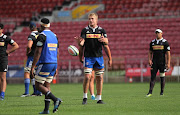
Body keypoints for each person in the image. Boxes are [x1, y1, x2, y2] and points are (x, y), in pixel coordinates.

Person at [75, 13, 112, 104]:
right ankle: (85, 97)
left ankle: (99, 98)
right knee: (87, 77)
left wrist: (110, 58)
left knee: (99, 78)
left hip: (99, 58)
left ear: (96, 20)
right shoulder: (85, 30)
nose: (91, 20)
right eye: (89, 19)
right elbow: (82, 44)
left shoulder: (102, 31)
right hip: (88, 58)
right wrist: (79, 43)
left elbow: (106, 45)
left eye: (92, 19)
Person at [30, 18, 61, 114]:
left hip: (45, 63)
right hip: (53, 63)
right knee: (47, 85)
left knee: (38, 85)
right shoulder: (54, 36)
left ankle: (55, 99)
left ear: (41, 25)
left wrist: (33, 66)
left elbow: (38, 51)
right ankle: (46, 110)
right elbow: (57, 52)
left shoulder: (42, 35)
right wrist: (56, 66)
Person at [146, 29, 171, 97]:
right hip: (154, 63)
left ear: (162, 33)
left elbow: (168, 54)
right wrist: (149, 60)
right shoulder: (152, 42)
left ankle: (162, 92)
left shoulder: (165, 42)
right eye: (156, 33)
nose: (157, 34)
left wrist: (168, 63)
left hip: (162, 63)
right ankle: (150, 92)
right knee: (152, 77)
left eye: (158, 33)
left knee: (162, 77)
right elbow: (150, 52)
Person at [21, 22, 42, 97]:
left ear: (30, 28)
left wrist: (27, 52)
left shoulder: (32, 35)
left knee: (28, 72)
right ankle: (37, 92)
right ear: (36, 27)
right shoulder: (41, 34)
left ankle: (27, 92)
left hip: (32, 56)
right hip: (40, 56)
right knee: (36, 73)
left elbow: (29, 46)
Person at [0, 23, 19, 100]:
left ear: (2, 29)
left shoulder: (5, 38)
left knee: (2, 77)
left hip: (3, 59)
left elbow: (16, 45)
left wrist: (8, 52)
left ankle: (2, 94)